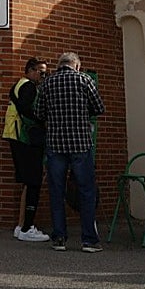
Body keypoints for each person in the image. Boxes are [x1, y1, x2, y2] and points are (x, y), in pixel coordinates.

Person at [33, 51, 105, 253]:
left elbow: (38, 113)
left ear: (59, 65)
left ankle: (59, 238)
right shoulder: (84, 80)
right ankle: (89, 240)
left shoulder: (48, 83)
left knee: (56, 191)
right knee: (86, 191)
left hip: (56, 144)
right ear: (77, 65)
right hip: (81, 143)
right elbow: (99, 107)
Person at [2, 58, 50, 242]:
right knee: (33, 181)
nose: (43, 76)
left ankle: (21, 225)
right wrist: (43, 119)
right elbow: (28, 110)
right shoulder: (28, 86)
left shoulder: (19, 85)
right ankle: (27, 227)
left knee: (27, 182)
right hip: (25, 137)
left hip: (16, 135)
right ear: (31, 70)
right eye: (41, 71)